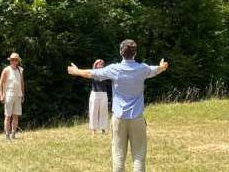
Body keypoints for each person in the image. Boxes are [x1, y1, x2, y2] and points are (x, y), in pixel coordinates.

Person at [68, 39, 168, 172]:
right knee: (139, 157)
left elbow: (91, 73)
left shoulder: (114, 69)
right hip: (137, 119)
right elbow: (156, 70)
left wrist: (76, 71)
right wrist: (162, 66)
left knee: (118, 157)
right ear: (135, 53)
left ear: (121, 52)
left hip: (119, 119)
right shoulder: (142, 69)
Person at [0, 52, 25, 139]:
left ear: (18, 61)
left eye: (15, 60)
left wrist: (23, 94)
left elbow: (22, 83)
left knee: (16, 115)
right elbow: (0, 83)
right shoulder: (6, 70)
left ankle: (13, 134)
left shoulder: (20, 70)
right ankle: (7, 134)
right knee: (8, 116)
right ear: (10, 61)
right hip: (9, 94)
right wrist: (1, 95)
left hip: (18, 95)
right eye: (12, 60)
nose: (13, 61)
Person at [87, 58, 111, 135]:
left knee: (103, 111)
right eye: (98, 64)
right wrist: (95, 64)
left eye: (101, 64)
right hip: (95, 93)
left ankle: (103, 129)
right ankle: (93, 130)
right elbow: (91, 70)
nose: (100, 65)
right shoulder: (93, 73)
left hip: (103, 93)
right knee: (93, 111)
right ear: (96, 65)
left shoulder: (104, 73)